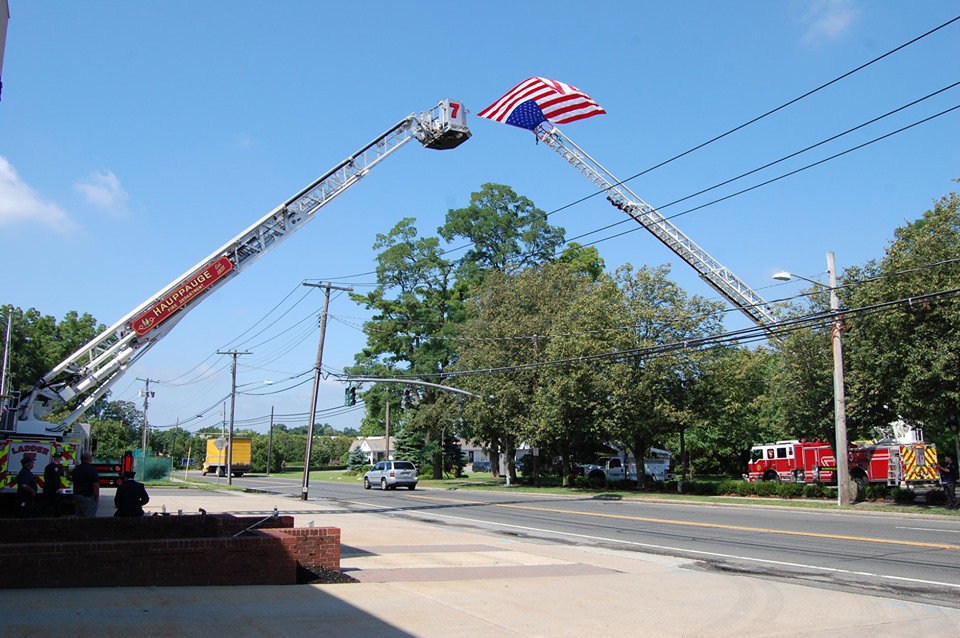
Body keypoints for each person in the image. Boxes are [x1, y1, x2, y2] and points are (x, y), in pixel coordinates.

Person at [70, 452, 100, 518]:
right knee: (88, 517)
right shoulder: (92, 470)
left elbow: (70, 478)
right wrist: (97, 496)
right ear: (90, 459)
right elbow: (95, 485)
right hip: (88, 496)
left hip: (77, 495)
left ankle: (79, 527)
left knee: (79, 516)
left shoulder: (76, 469)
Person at [43, 452, 66, 517]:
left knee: (46, 503)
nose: (60, 460)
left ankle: (45, 515)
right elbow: (55, 479)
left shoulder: (49, 466)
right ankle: (56, 516)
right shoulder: (54, 467)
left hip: (48, 487)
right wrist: (58, 488)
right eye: (60, 459)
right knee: (57, 503)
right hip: (53, 489)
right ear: (57, 459)